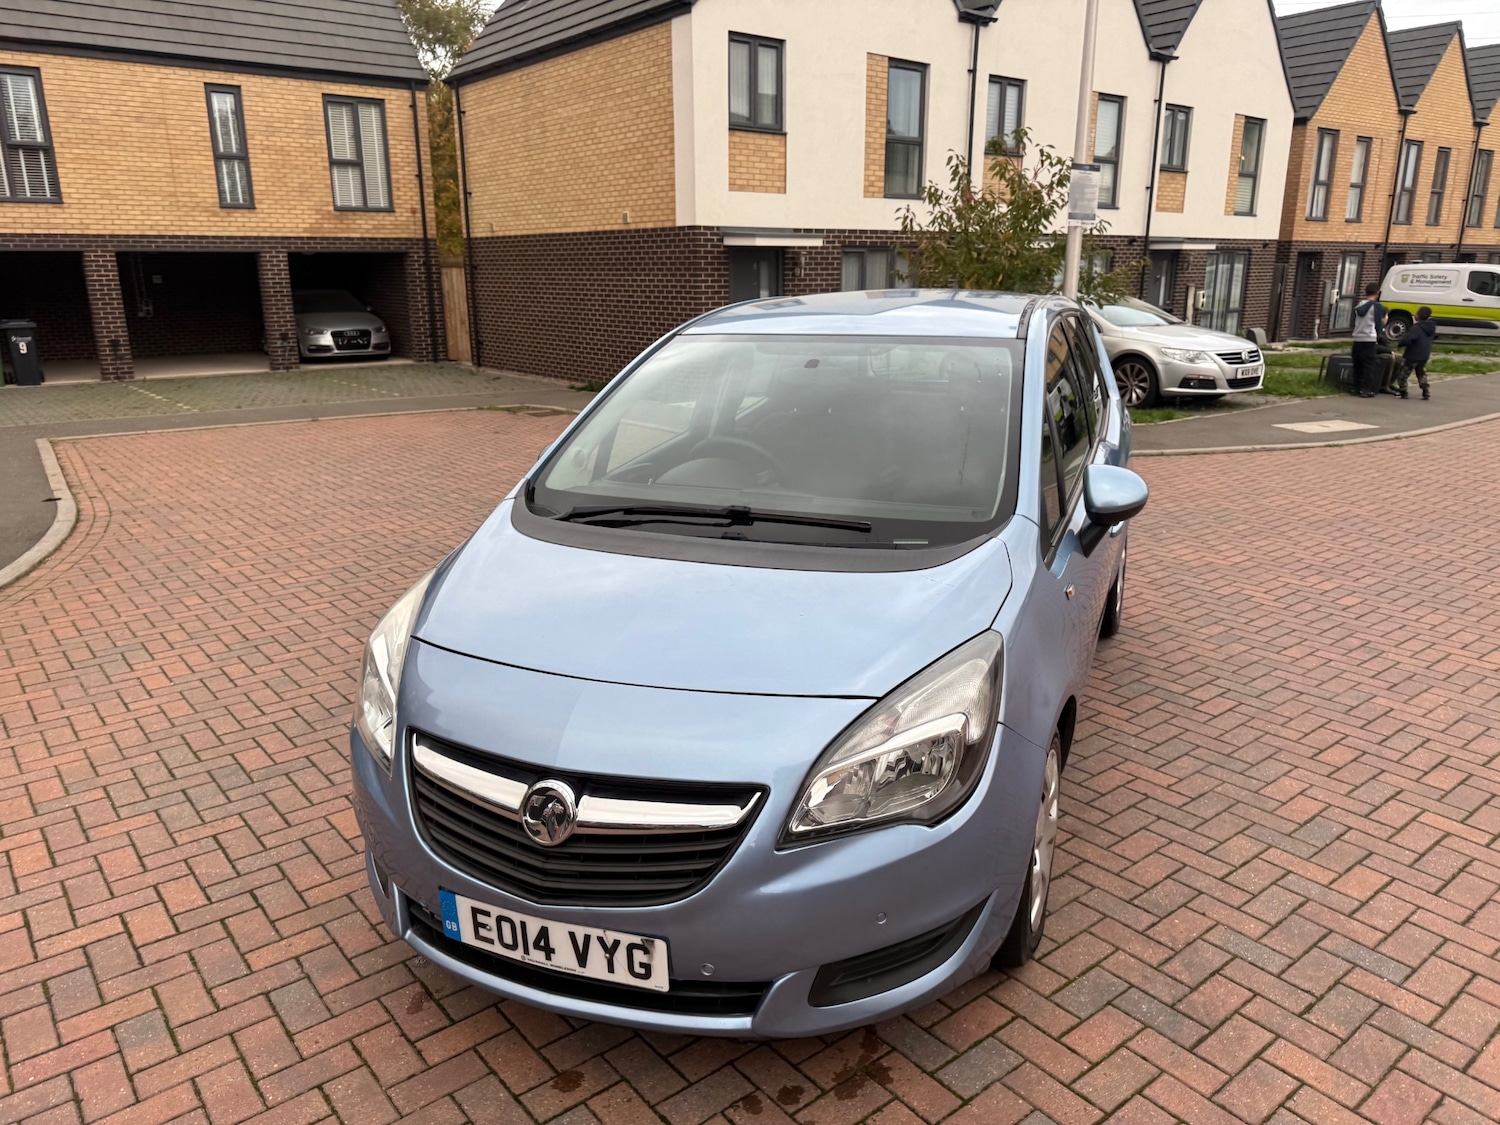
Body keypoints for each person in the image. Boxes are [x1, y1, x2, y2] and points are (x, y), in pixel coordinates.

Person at [1351, 282, 1388, 398]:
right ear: (1377, 294)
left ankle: (1357, 387)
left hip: (1357, 337)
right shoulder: (1377, 307)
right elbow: (1382, 322)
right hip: (1370, 338)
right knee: (1368, 365)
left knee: (1357, 364)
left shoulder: (1359, 305)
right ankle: (1367, 389)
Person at [1397, 306, 1436, 400]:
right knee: (1421, 373)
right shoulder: (1431, 328)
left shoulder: (1417, 328)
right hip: (1424, 355)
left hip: (1412, 355)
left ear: (1418, 315)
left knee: (1403, 374)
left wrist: (1401, 343)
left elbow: (1409, 339)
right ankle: (1425, 391)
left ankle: (1403, 392)